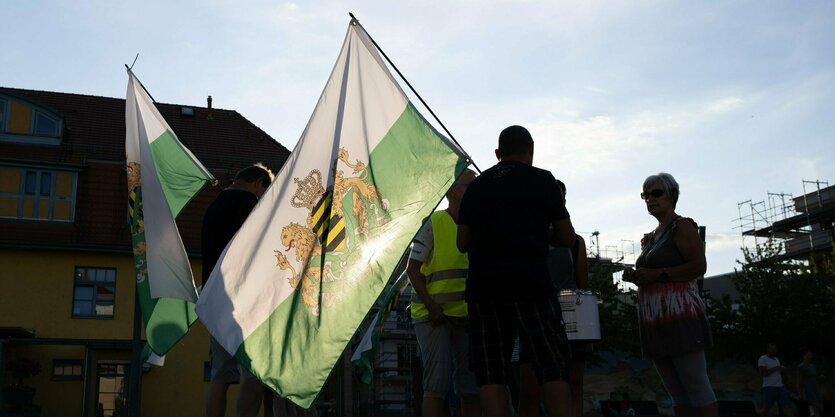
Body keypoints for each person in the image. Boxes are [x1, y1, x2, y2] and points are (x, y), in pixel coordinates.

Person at [457, 125, 577, 417]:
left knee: (491, 371)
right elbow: (568, 238)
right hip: (531, 286)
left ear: (497, 154)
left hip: (484, 291)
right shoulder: (543, 180)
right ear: (531, 150)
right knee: (552, 365)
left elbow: (462, 243)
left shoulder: (476, 187)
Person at [622, 172, 717, 417]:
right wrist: (638, 277)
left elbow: (698, 267)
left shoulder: (682, 226)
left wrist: (657, 274)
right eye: (645, 195)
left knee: (696, 386)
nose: (649, 199)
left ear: (672, 196)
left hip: (680, 314)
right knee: (676, 392)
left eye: (656, 193)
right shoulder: (651, 237)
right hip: (655, 318)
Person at [202, 163, 274, 417]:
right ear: (256, 183)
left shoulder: (213, 206)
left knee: (220, 376)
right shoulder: (247, 204)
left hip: (213, 297)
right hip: (240, 299)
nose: (262, 198)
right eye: (263, 192)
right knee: (256, 373)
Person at [408, 169, 481, 417]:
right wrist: (433, 308)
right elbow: (412, 270)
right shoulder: (434, 223)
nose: (473, 191)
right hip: (433, 317)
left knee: (470, 386)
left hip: (466, 317)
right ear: (451, 191)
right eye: (468, 186)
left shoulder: (478, 227)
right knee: (436, 385)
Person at [517, 180, 589, 417]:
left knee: (574, 382)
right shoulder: (526, 237)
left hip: (571, 314)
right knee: (531, 388)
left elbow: (582, 285)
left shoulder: (575, 242)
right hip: (534, 314)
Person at [758, 343, 795, 417]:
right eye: (772, 349)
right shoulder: (762, 358)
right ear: (768, 349)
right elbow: (763, 374)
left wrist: (783, 370)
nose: (774, 351)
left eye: (775, 349)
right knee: (767, 408)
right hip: (769, 387)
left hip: (780, 386)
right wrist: (776, 368)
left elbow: (778, 372)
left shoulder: (776, 359)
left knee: (787, 405)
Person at [797, 349, 823, 417]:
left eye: (811, 355)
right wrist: (800, 393)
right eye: (808, 355)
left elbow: (815, 377)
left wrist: (820, 377)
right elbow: (800, 381)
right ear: (804, 356)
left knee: (819, 407)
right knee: (815, 407)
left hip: (816, 389)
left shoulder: (814, 366)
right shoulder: (801, 366)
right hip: (808, 390)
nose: (810, 357)